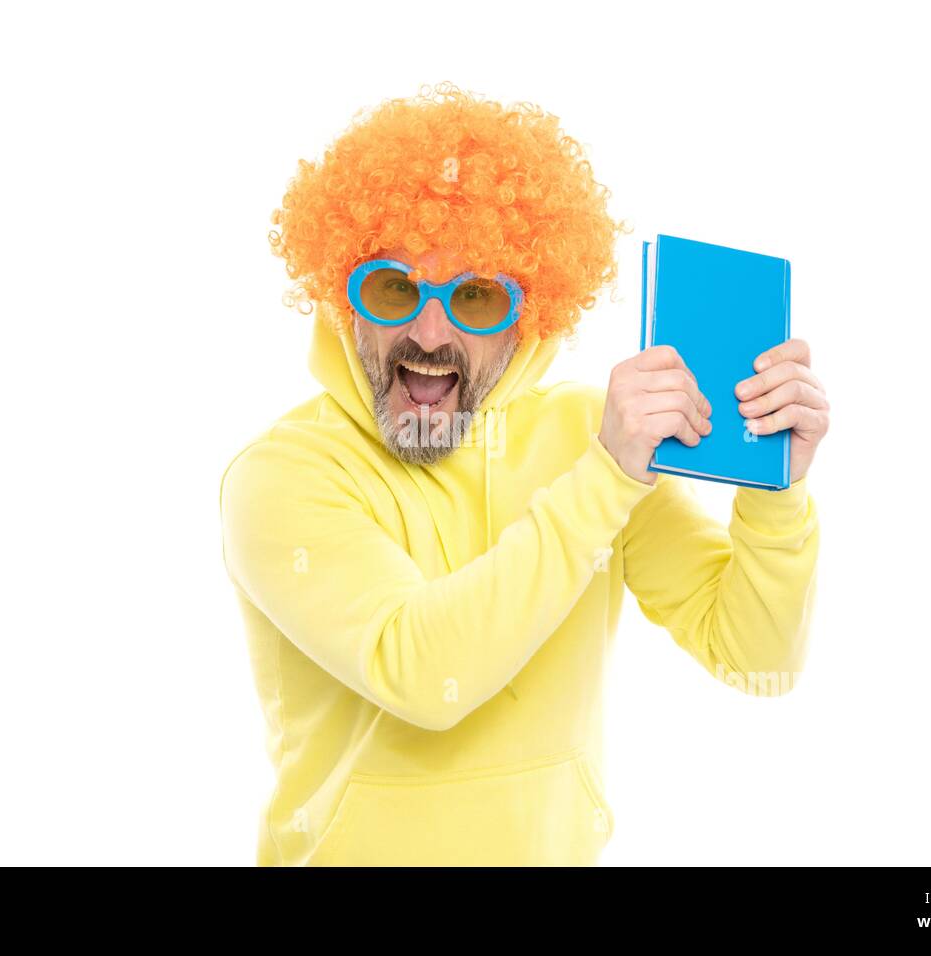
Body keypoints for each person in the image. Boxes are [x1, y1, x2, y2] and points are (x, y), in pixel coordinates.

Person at [220, 83, 829, 866]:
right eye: (394, 287)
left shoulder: (587, 436)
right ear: (341, 297)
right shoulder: (281, 476)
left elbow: (752, 656)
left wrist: (776, 488)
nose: (430, 332)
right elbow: (423, 674)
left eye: (475, 296)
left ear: (529, 317)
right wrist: (607, 479)